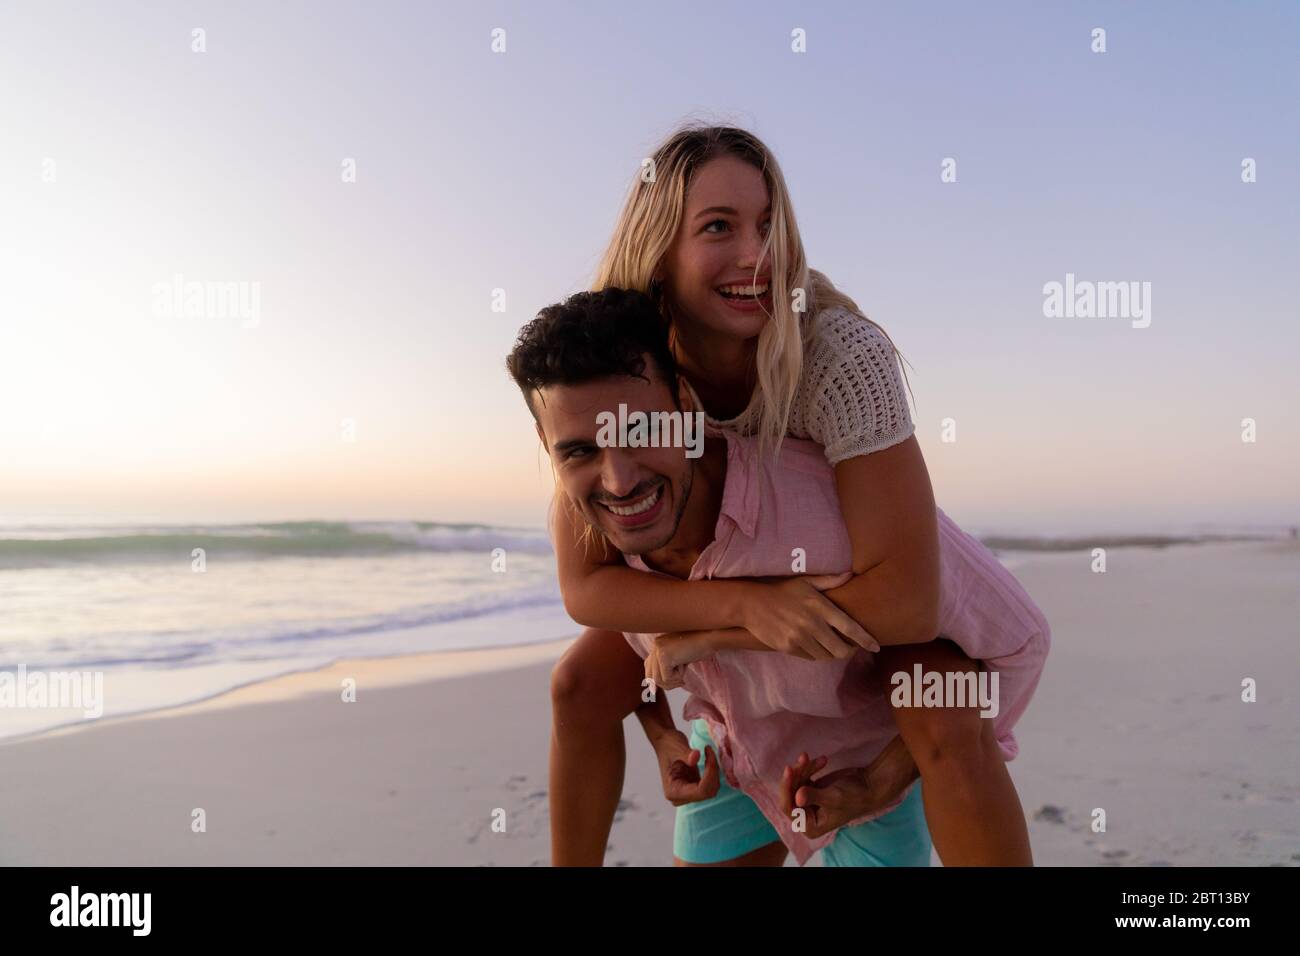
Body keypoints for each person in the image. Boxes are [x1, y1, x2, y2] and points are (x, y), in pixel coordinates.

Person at [507, 288, 1051, 865]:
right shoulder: (597, 520)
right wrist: (666, 725)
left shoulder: (821, 511)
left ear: (686, 408)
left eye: (641, 431)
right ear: (547, 447)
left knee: (941, 689)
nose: (617, 479)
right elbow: (612, 618)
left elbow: (1021, 639)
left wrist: (884, 776)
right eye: (579, 451)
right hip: (733, 747)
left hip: (857, 758)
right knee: (576, 683)